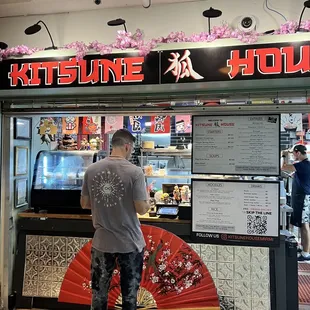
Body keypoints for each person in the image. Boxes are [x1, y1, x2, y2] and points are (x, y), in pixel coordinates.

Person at [80, 129, 150, 309]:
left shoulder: (92, 169)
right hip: (130, 243)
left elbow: (84, 204)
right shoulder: (135, 172)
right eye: (132, 149)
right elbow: (141, 209)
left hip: (102, 242)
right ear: (127, 147)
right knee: (129, 297)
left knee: (98, 295)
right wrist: (149, 202)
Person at [283, 144, 310, 261]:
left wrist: (283, 154)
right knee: (302, 224)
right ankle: (304, 248)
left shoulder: (303, 165)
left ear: (298, 153)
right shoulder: (303, 165)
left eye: (294, 153)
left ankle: (306, 254)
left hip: (303, 198)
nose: (293, 156)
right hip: (302, 197)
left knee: (305, 225)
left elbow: (283, 167)